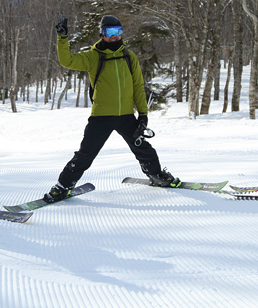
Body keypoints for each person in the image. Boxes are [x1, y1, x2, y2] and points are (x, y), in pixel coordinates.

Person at [43, 15, 180, 202]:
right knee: (85, 154)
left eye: (118, 32)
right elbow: (67, 61)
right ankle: (63, 186)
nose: (114, 36)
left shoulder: (129, 57)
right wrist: (62, 38)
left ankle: (156, 175)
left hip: (126, 115)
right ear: (102, 34)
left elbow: (138, 87)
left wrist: (143, 115)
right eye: (109, 32)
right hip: (101, 116)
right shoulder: (93, 57)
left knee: (144, 149)